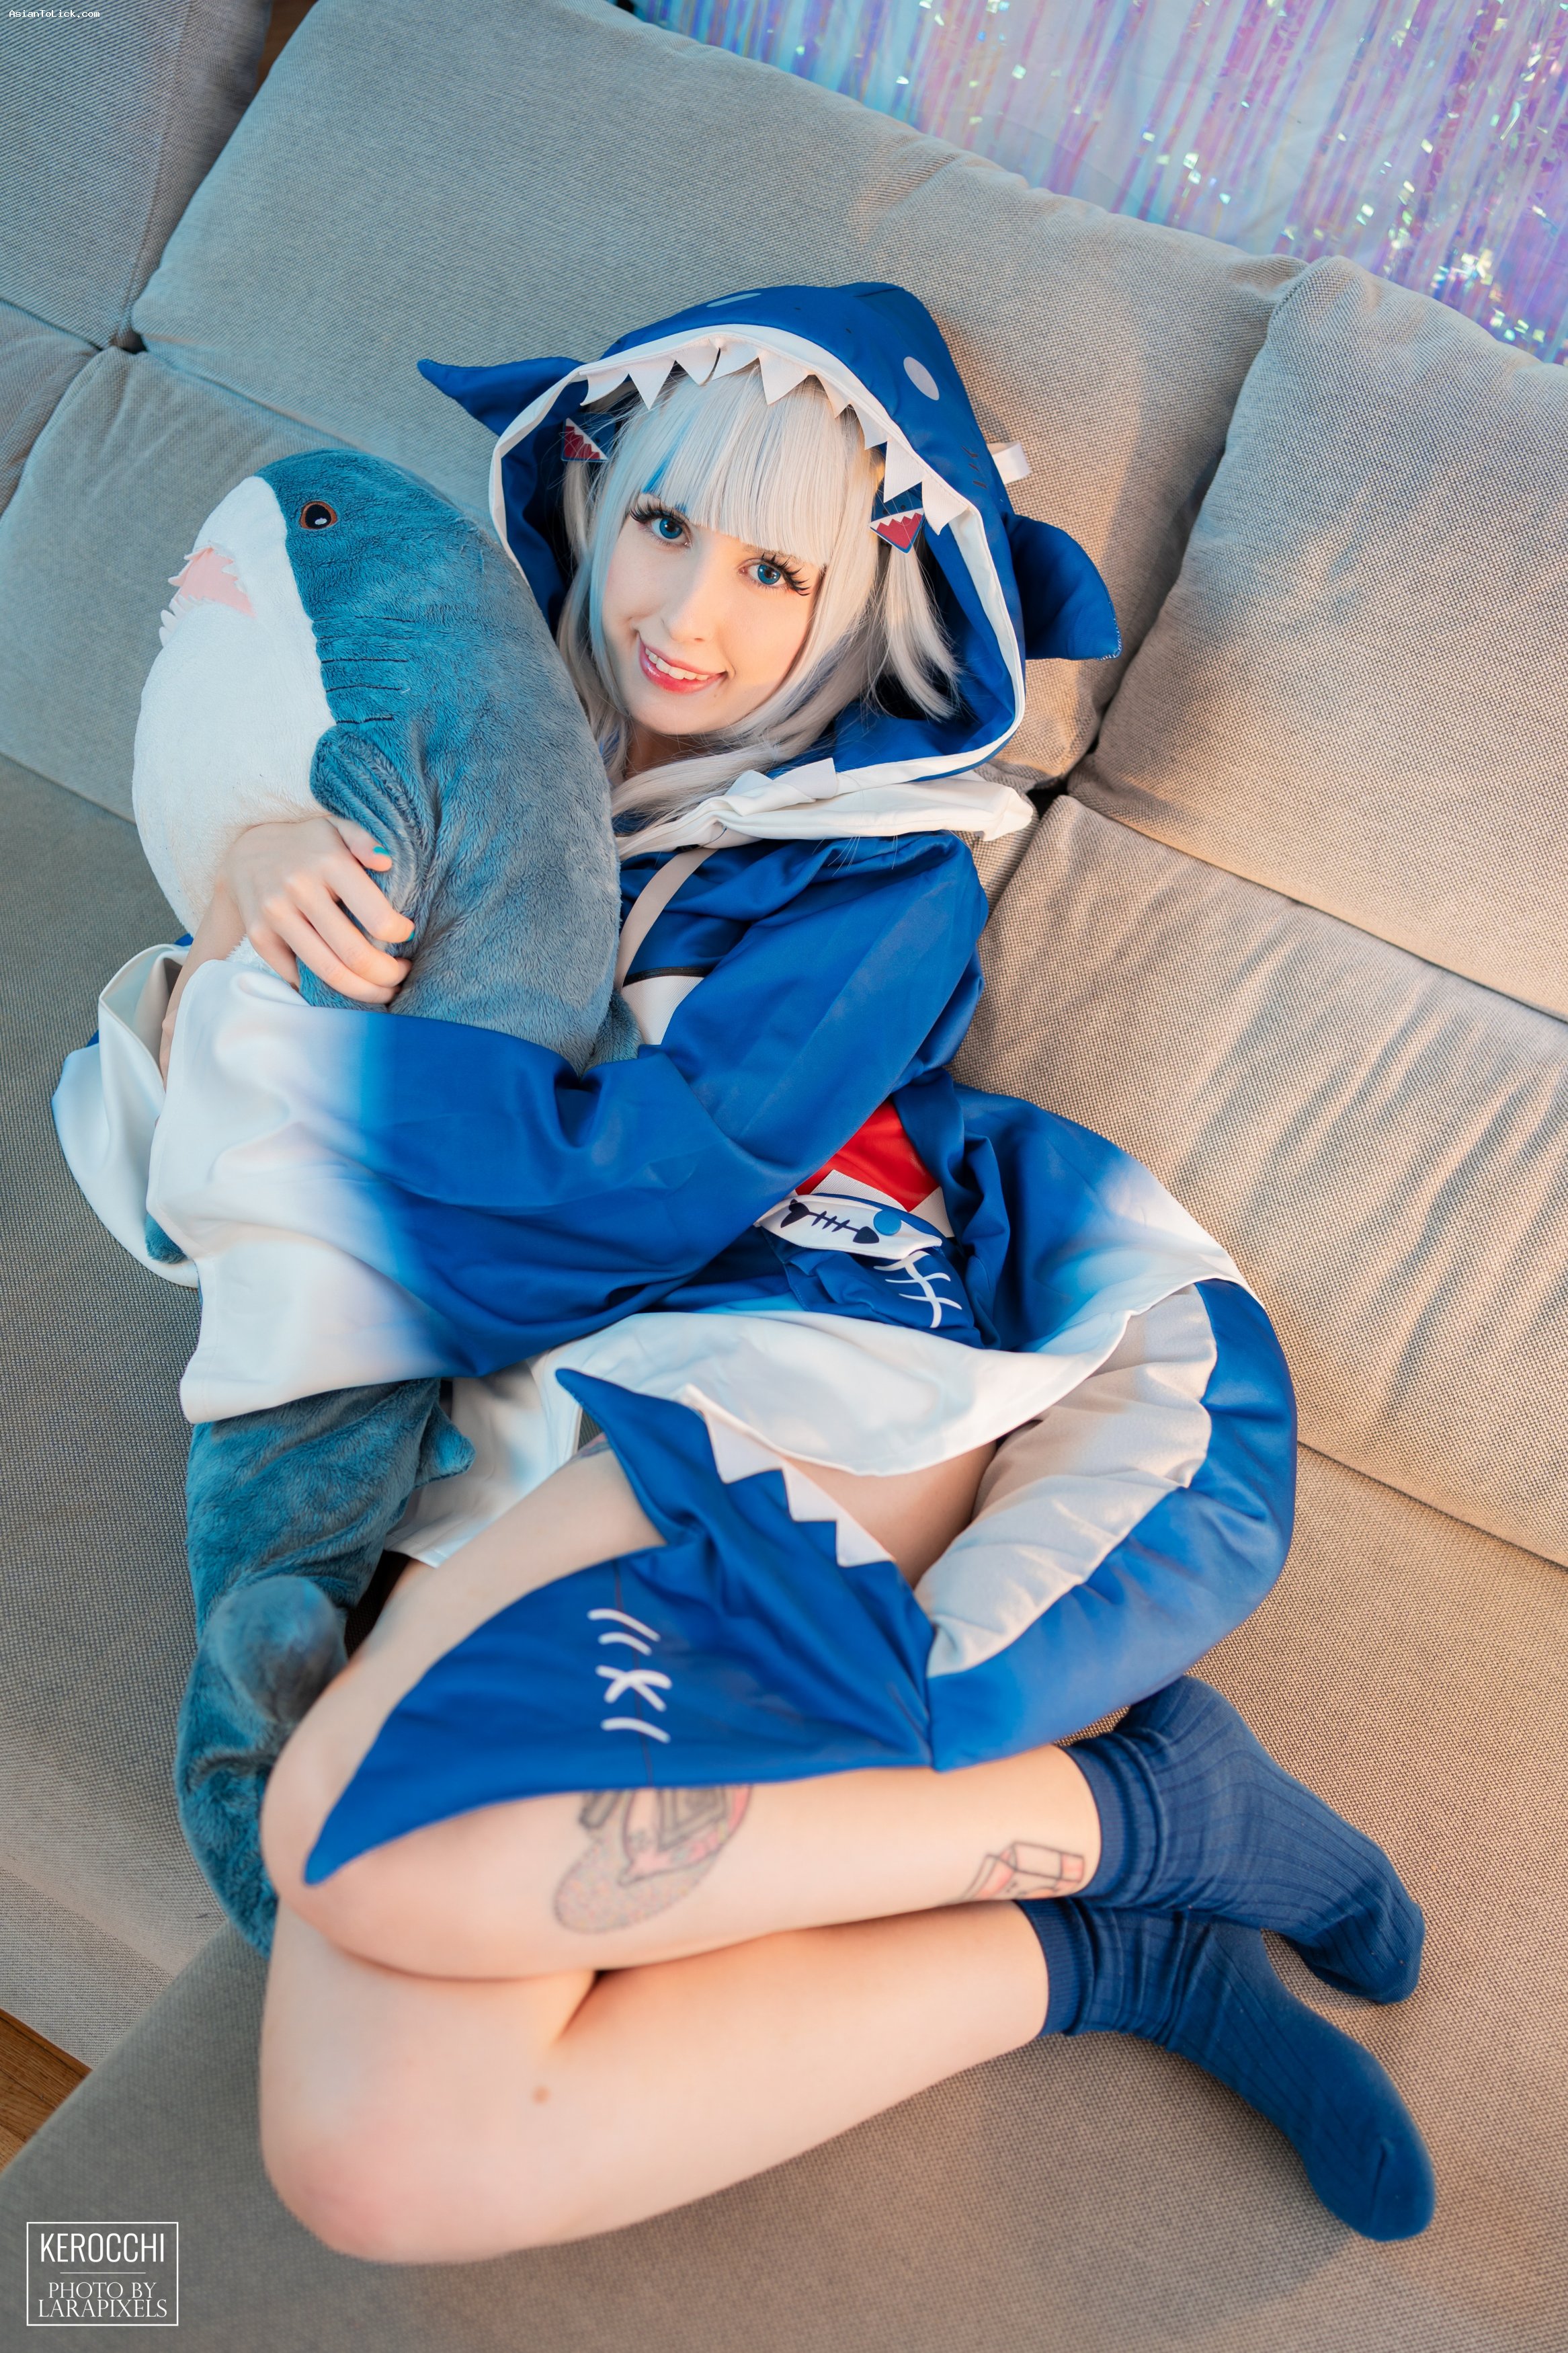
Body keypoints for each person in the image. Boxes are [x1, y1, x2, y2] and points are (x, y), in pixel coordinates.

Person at [157, 285, 1434, 2258]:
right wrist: (249, 888)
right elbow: (200, 1143)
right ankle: (1102, 1953)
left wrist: (311, 1048)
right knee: (375, 2166)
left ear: (868, 604)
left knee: (347, 1832)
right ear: (593, 497)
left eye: (776, 571)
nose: (692, 613)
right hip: (544, 1396)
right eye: (667, 525)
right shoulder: (475, 755)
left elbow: (621, 1197)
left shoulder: (881, 880)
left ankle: (1144, 1817)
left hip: (804, 1352)